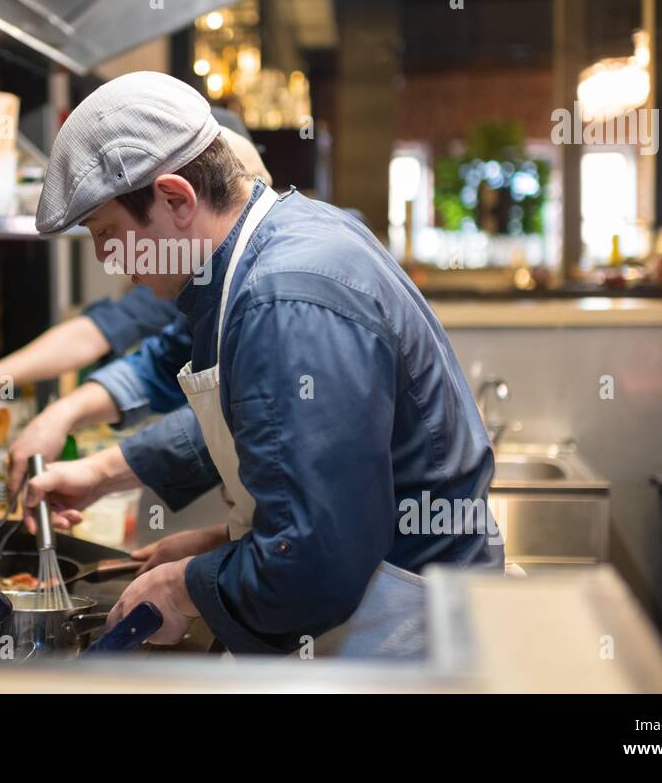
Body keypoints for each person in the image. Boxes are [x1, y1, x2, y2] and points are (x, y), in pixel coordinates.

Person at [25, 72, 503, 656]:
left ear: (176, 200)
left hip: (400, 638)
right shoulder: (270, 252)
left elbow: (316, 563)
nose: (111, 262)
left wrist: (185, 586)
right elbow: (269, 430)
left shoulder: (284, 299)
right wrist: (221, 544)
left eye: (108, 234)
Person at [0, 120, 271, 464]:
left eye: (106, 230)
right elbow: (156, 368)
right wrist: (61, 416)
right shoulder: (202, 280)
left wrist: (101, 469)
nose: (105, 256)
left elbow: (246, 434)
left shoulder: (270, 296)